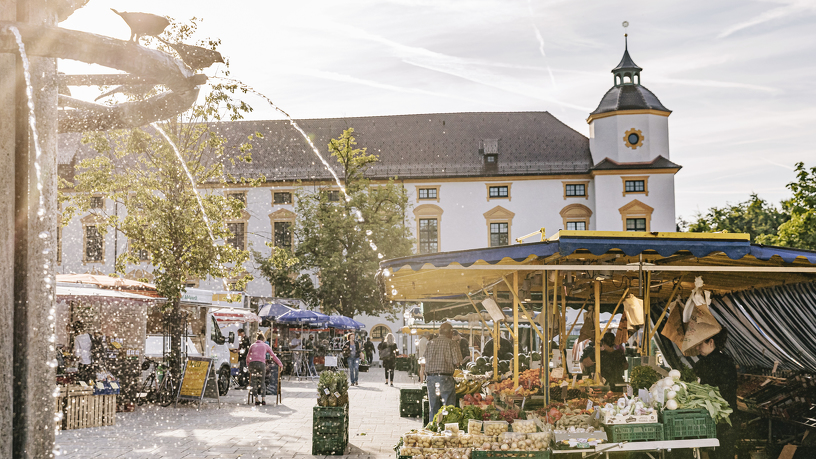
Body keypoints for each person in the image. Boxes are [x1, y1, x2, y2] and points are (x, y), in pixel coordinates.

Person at [694, 329, 738, 459]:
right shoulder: (725, 360)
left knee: (721, 452)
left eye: (700, 344)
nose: (697, 348)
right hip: (724, 417)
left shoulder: (710, 363)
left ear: (711, 342)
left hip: (721, 420)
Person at [424, 322, 463, 420]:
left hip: (431, 378)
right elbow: (457, 362)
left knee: (433, 408)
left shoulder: (430, 343)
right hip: (445, 378)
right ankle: (447, 430)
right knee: (448, 409)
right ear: (450, 332)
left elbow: (424, 360)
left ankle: (434, 430)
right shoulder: (452, 343)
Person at [247, 333, 282, 406]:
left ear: (257, 339)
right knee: (262, 381)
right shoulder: (265, 345)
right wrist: (280, 364)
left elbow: (248, 357)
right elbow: (273, 356)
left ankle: (256, 400)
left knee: (254, 382)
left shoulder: (253, 345)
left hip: (252, 364)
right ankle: (263, 400)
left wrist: (248, 365)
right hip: (261, 364)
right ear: (263, 339)